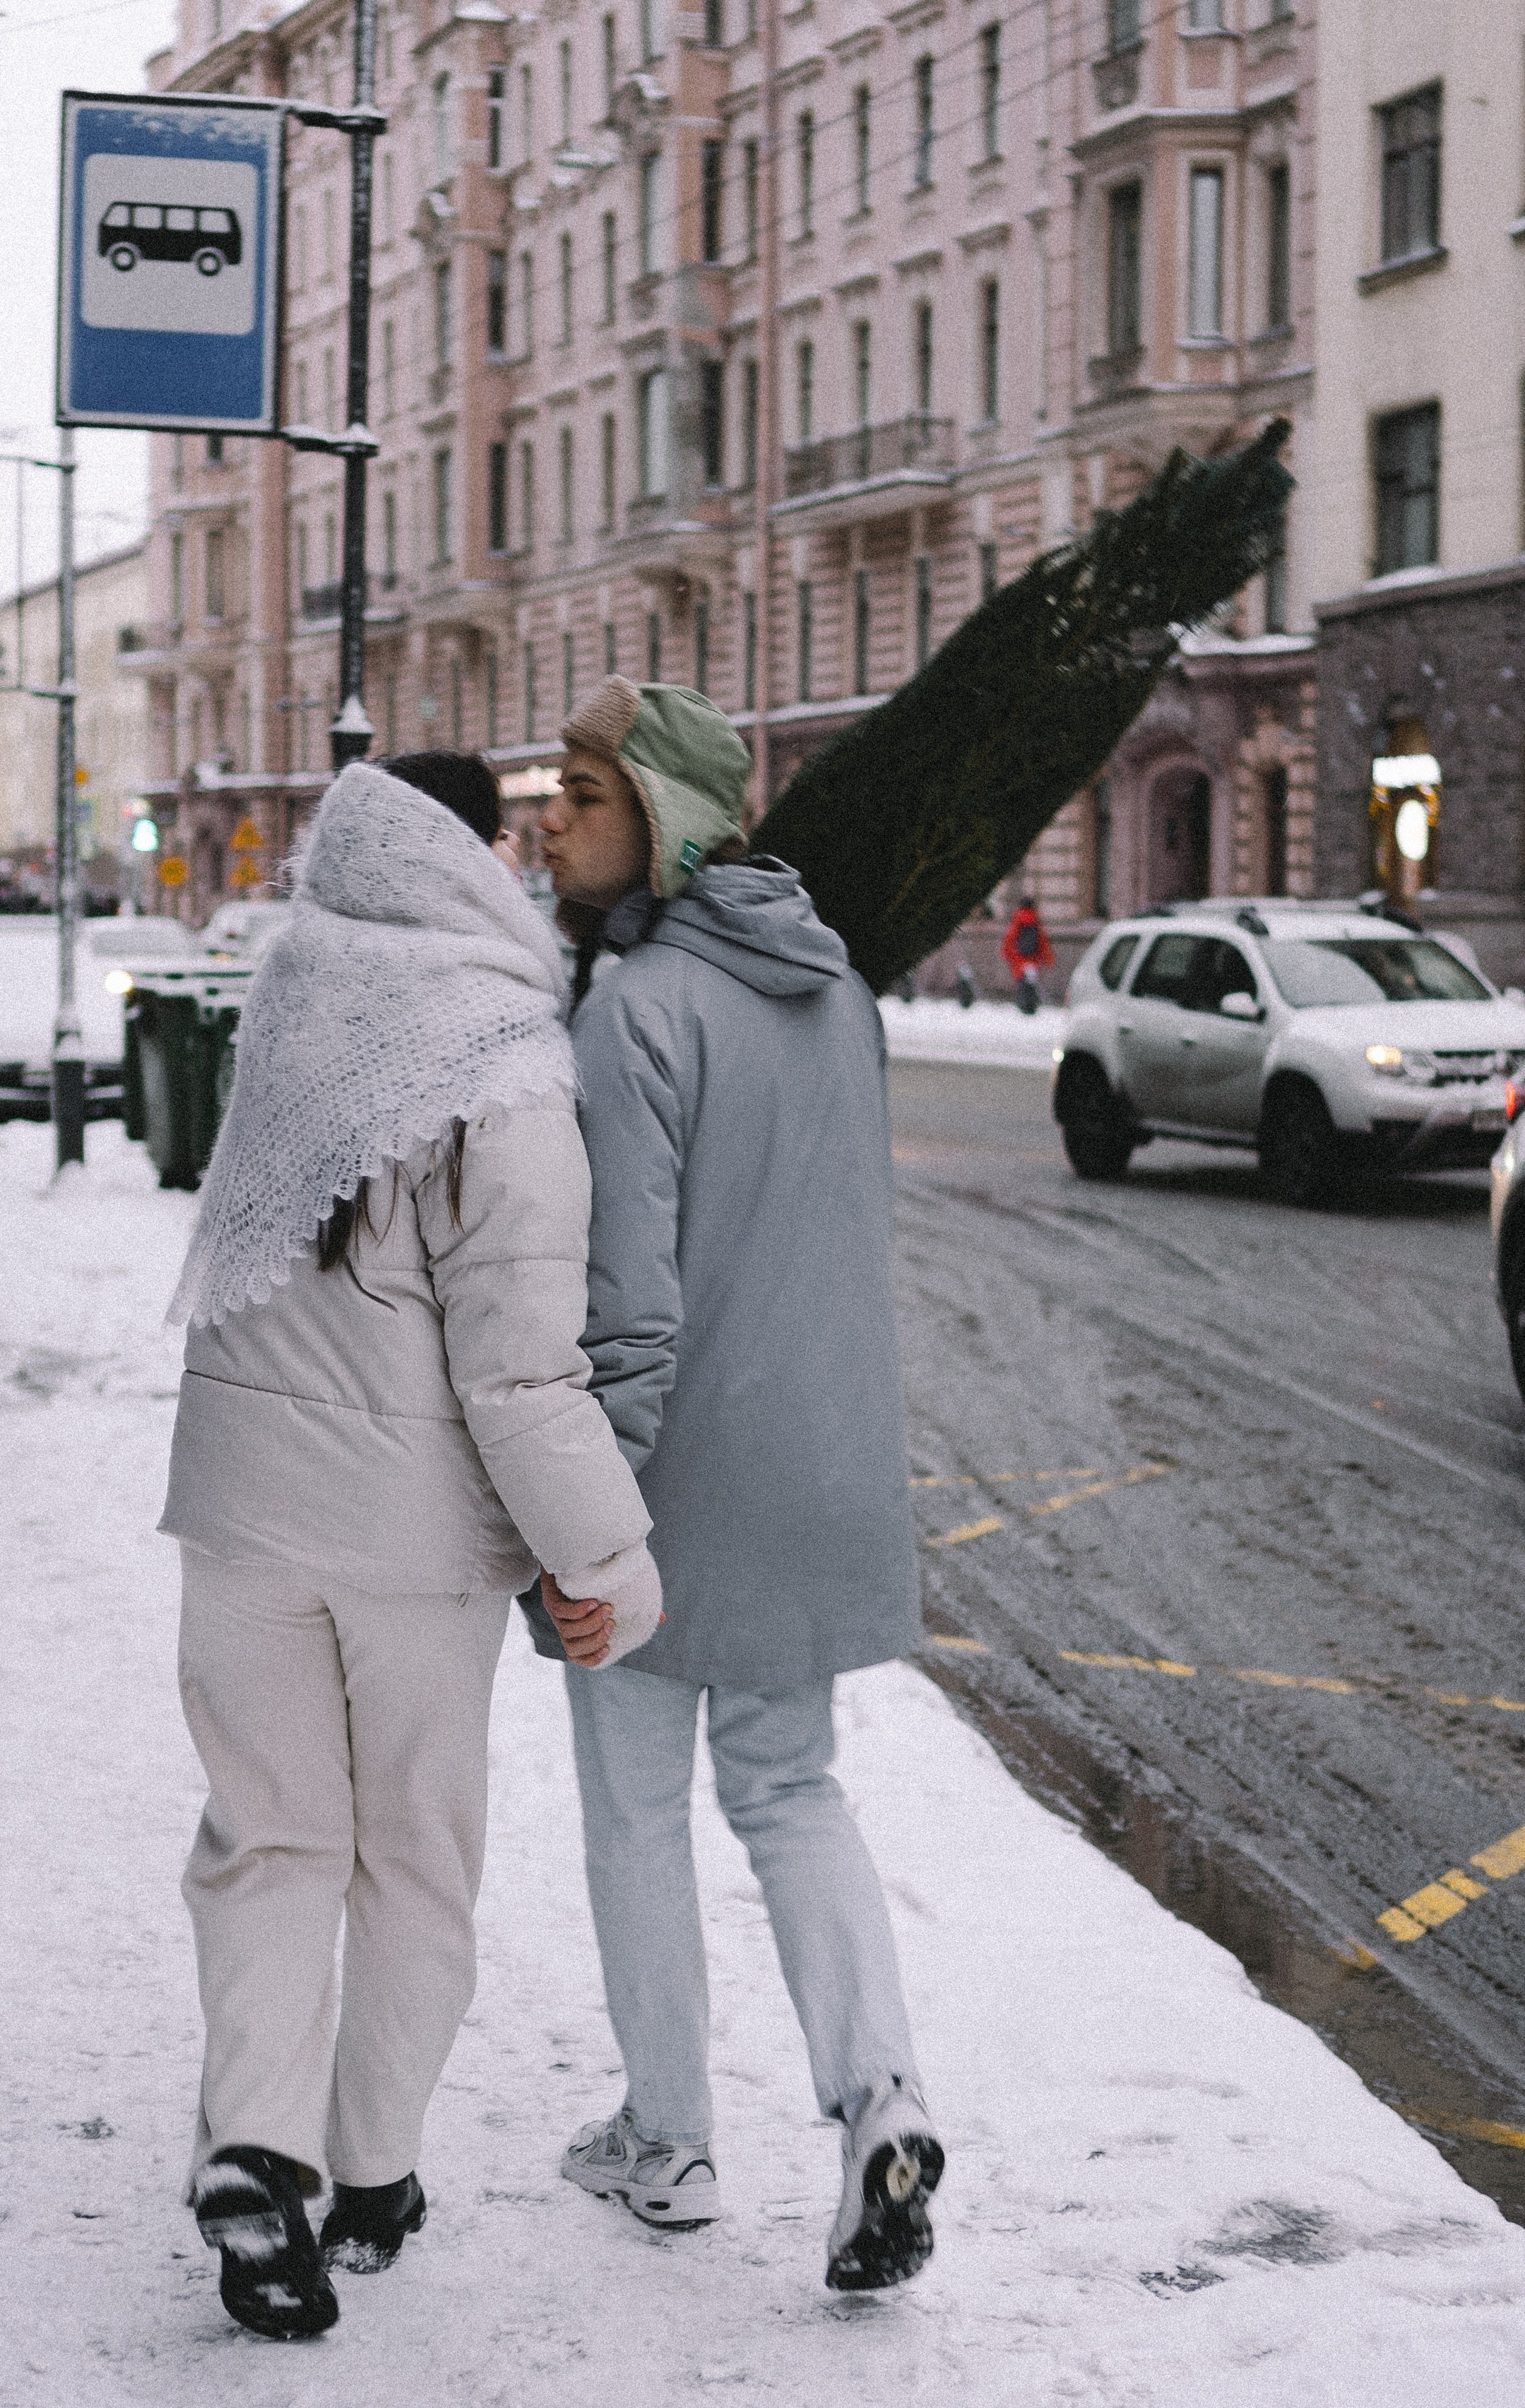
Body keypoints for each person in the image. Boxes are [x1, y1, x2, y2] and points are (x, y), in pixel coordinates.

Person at [159, 751, 660, 2342]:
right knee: (411, 1859)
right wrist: (609, 1559)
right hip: (409, 1543)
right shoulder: (503, 1056)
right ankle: (368, 2175)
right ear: (459, 862)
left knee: (266, 1841)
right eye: (502, 835)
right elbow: (519, 1366)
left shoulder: (286, 1003)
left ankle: (256, 2151)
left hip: (239, 1508)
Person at [527, 676, 944, 2291]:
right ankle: (883, 2099)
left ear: (668, 825)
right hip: (825, 1465)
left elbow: (625, 1303)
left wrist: (586, 1513)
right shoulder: (840, 992)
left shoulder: (633, 1009)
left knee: (636, 1808)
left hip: (674, 1479)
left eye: (584, 788)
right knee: (789, 1792)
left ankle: (671, 2137)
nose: (552, 814)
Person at [1001, 893, 1055, 1012]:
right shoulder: (1035, 922)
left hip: (1018, 960)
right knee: (1032, 985)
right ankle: (1031, 1007)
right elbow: (1043, 942)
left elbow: (1009, 939)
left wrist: (1005, 954)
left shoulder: (1016, 921)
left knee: (1022, 985)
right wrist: (1048, 959)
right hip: (1033, 959)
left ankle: (1023, 1007)